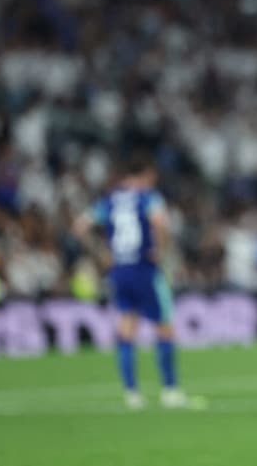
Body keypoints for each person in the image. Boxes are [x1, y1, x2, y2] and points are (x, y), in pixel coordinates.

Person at [73, 152, 186, 409]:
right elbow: (160, 222)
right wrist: (160, 248)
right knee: (164, 327)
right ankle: (170, 390)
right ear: (145, 174)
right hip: (145, 268)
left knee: (126, 327)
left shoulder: (110, 199)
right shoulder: (148, 197)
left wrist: (102, 254)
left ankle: (131, 393)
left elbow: (80, 227)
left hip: (120, 269)